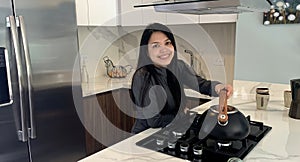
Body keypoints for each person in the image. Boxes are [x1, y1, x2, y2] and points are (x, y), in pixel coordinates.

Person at [130, 23, 233, 134]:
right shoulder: (143, 76)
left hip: (170, 129)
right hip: (144, 135)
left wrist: (219, 87)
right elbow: (154, 121)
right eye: (156, 45)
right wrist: (182, 114)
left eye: (167, 43)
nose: (164, 49)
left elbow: (201, 84)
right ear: (146, 51)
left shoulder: (178, 66)